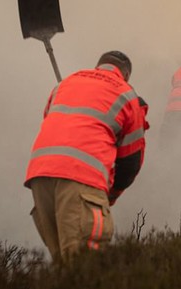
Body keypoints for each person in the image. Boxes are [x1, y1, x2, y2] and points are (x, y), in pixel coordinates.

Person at [24, 51, 149, 263]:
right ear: (125, 74)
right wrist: (109, 197)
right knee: (85, 266)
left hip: (40, 177)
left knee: (63, 264)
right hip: (82, 178)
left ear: (99, 65)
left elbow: (51, 120)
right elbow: (130, 162)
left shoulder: (65, 84)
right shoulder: (127, 95)